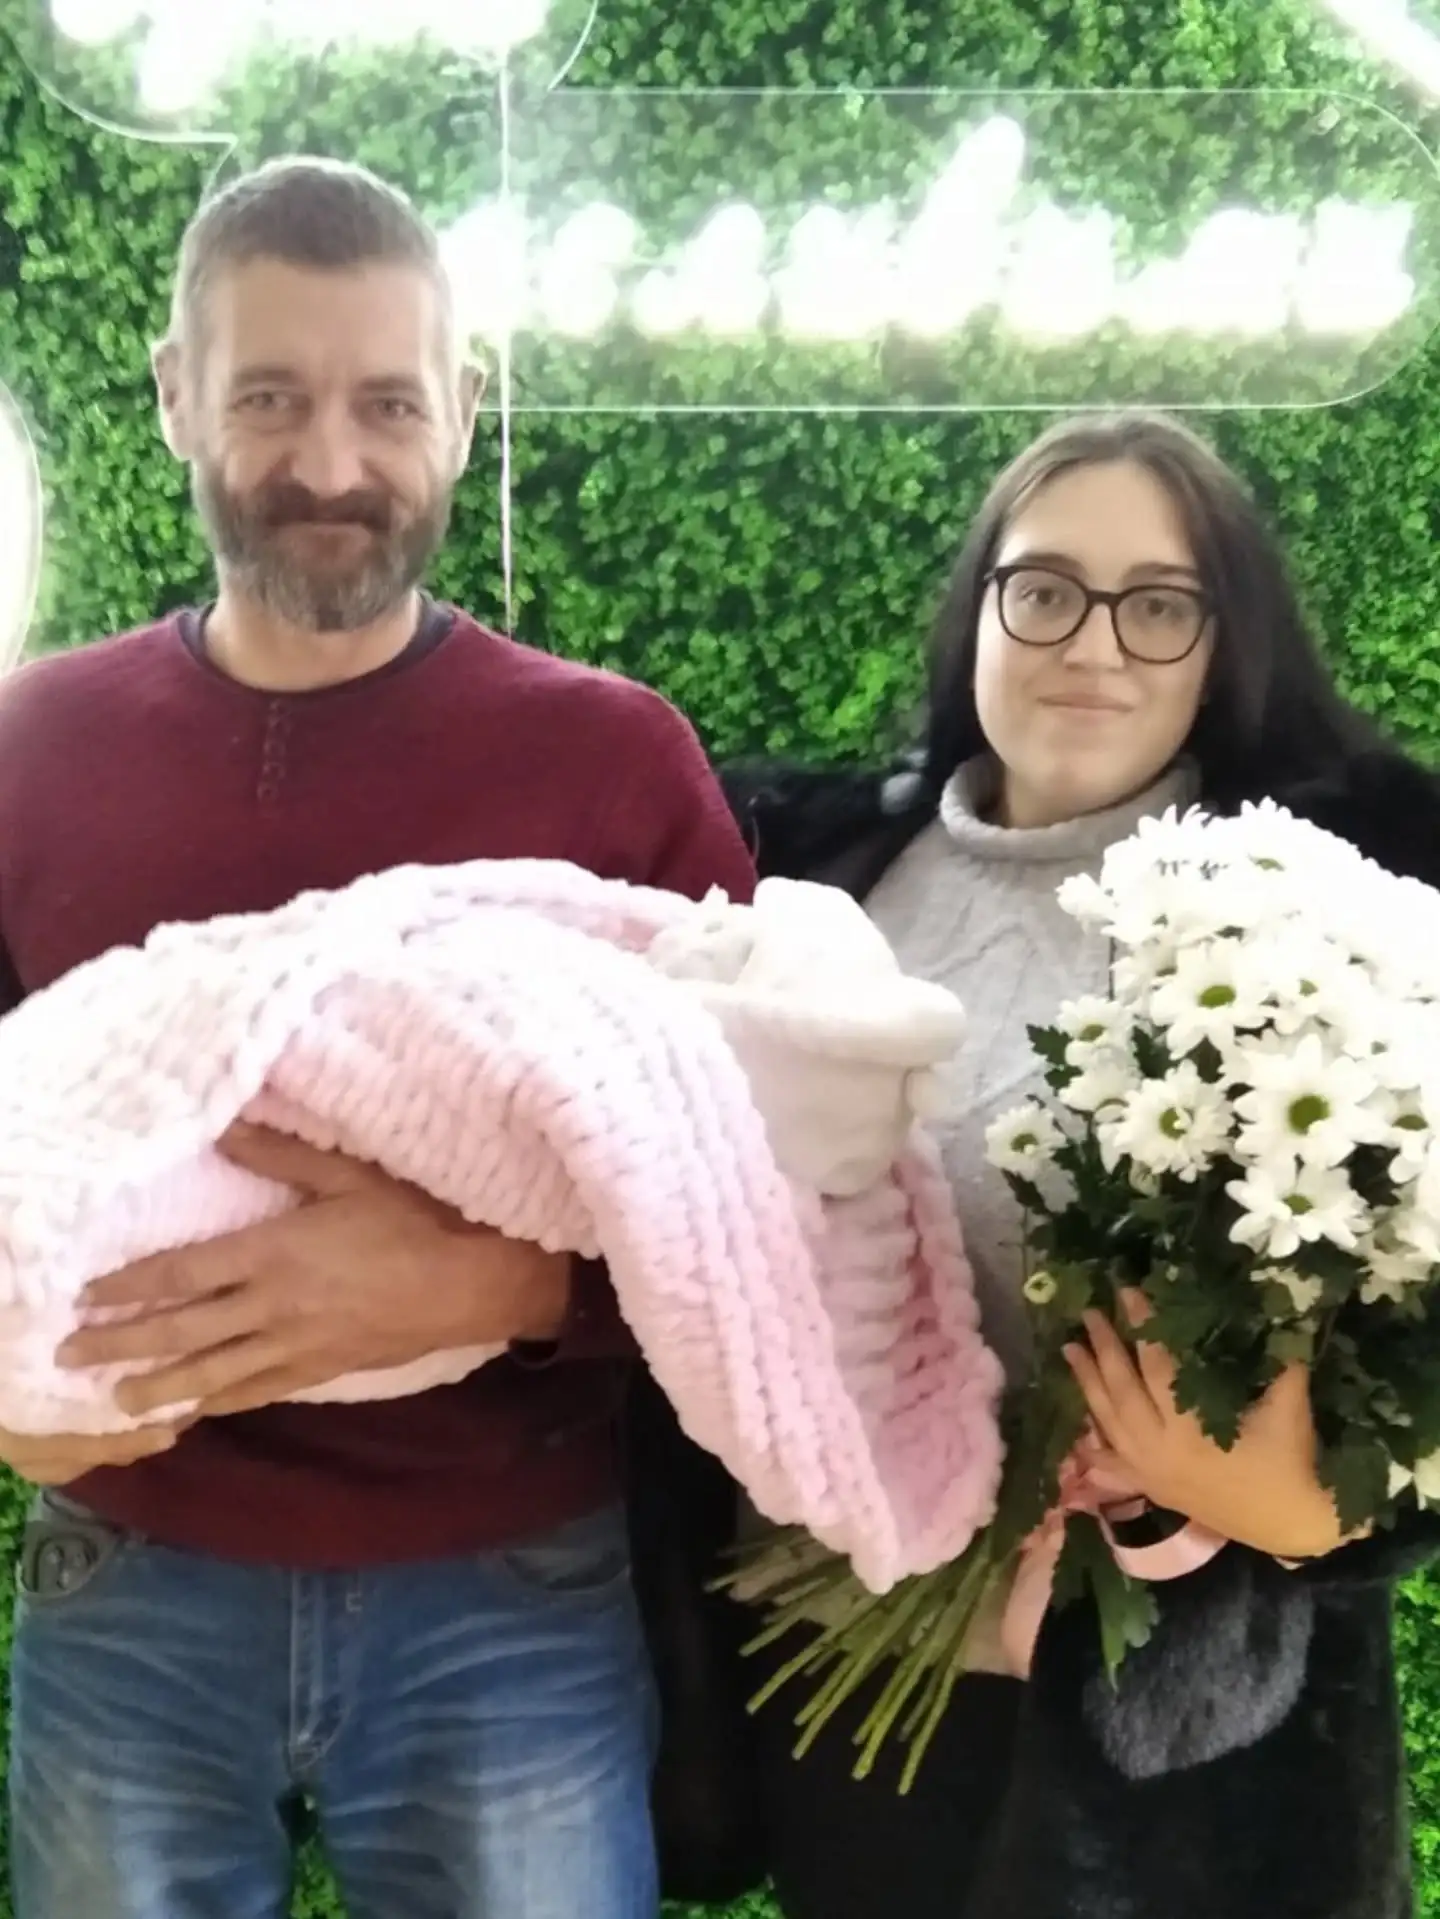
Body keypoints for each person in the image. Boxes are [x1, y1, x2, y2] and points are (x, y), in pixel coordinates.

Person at [0, 155, 756, 1919]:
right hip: (129, 1571)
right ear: (176, 392)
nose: (331, 464)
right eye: (269, 396)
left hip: (514, 1598)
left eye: (388, 404)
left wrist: (509, 1287)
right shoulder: (28, 752)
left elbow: (775, 1203)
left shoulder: (615, 764)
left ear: (465, 410)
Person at [706, 411, 1440, 1919]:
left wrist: (1319, 1507)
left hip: (1190, 1758)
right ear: (977, 610)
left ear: (1223, 643)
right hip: (857, 1698)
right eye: (1042, 589)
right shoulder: (816, 885)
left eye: (1159, 604)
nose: (1093, 644)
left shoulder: (1330, 911)